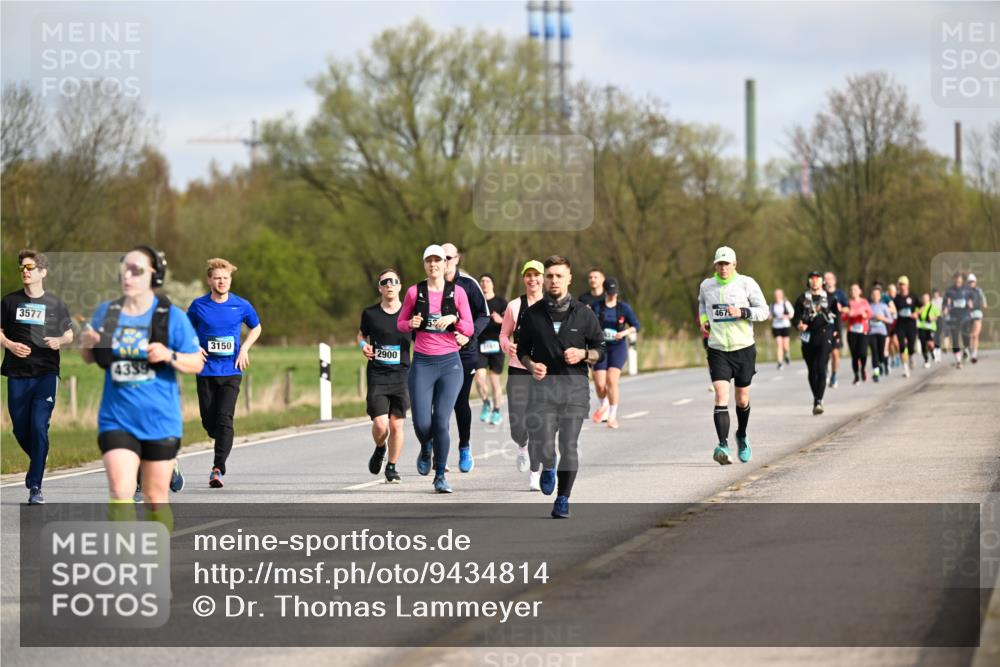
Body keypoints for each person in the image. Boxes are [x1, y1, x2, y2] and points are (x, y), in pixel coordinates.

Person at [78, 246, 203, 526]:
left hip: (160, 421)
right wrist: (87, 345)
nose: (128, 276)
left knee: (155, 498)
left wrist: (169, 355)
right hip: (117, 419)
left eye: (137, 270)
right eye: (125, 269)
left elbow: (196, 362)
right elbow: (90, 357)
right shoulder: (107, 313)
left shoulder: (171, 317)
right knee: (121, 491)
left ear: (154, 276)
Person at [517, 255, 605, 518]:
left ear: (569, 279)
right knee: (544, 444)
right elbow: (522, 351)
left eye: (559, 276)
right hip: (543, 389)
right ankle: (548, 464)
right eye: (550, 276)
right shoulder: (532, 315)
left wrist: (583, 354)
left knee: (569, 444)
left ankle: (563, 498)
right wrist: (532, 366)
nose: (554, 280)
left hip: (575, 389)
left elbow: (600, 348)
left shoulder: (584, 313)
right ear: (544, 279)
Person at [397, 244, 474, 493]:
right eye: (429, 261)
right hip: (422, 363)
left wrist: (455, 320)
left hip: (450, 363)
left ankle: (440, 475)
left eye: (438, 261)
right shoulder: (413, 292)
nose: (434, 265)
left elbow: (470, 328)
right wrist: (411, 323)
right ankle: (426, 446)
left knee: (441, 420)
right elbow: (400, 324)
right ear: (424, 265)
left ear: (445, 264)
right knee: (421, 423)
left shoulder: (458, 292)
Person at [1, 250, 74, 505]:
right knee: (21, 429)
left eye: (30, 267)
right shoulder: (9, 302)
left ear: (43, 272)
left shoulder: (55, 304)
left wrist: (59, 340)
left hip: (46, 372)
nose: (25, 271)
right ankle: (39, 457)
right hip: (17, 373)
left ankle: (35, 485)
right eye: (22, 267)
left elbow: (69, 334)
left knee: (39, 426)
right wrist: (9, 345)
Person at [186, 258, 262, 488]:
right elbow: (185, 330)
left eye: (225, 278)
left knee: (224, 419)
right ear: (210, 280)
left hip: (231, 370)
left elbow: (256, 327)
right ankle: (219, 438)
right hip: (205, 370)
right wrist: (193, 345)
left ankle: (217, 468)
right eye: (217, 278)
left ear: (230, 280)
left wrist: (245, 349)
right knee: (209, 423)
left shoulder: (241, 305)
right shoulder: (198, 306)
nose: (222, 282)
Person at [697, 246, 768, 465]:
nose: (723, 267)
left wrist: (743, 312)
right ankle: (722, 445)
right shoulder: (707, 286)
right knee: (720, 395)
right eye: (719, 263)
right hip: (718, 349)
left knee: (742, 399)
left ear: (734, 264)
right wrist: (703, 322)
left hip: (743, 348)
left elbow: (764, 311)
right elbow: (701, 305)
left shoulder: (747, 283)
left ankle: (742, 435)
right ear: (715, 265)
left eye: (727, 263)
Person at [440, 243, 490, 474]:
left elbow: (484, 315)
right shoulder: (431, 287)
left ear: (457, 258)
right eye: (441, 257)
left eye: (448, 257)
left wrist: (468, 334)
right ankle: (437, 451)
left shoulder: (469, 285)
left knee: (460, 401)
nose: (445, 261)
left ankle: (464, 447)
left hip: (465, 351)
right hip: (437, 351)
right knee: (437, 403)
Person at [358, 269, 410, 484]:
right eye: (385, 282)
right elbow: (362, 334)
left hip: (401, 374)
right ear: (379, 287)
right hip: (378, 374)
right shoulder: (370, 313)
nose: (389, 285)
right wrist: (363, 345)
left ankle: (392, 466)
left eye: (394, 281)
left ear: (399, 286)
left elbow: (424, 336)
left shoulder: (410, 314)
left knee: (397, 425)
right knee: (381, 425)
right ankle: (380, 448)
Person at [500, 260, 545, 490]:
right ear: (523, 279)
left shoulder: (553, 306)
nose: (533, 279)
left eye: (536, 275)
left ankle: (535, 474)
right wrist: (508, 346)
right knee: (518, 426)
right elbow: (503, 335)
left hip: (543, 373)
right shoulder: (515, 306)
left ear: (543, 278)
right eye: (528, 275)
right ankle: (522, 446)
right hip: (518, 370)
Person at [590, 277, 639, 429]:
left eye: (614, 293)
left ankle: (612, 416)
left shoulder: (624, 308)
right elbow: (587, 325)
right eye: (610, 293)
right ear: (605, 292)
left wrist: (623, 333)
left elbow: (636, 326)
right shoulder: (596, 307)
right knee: (599, 384)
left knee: (611, 380)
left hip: (618, 347)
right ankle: (603, 404)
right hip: (600, 347)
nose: (612, 295)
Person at [793, 271, 838, 414]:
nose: (814, 281)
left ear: (822, 281)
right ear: (809, 282)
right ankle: (816, 398)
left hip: (824, 335)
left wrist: (836, 333)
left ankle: (819, 400)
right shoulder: (802, 299)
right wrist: (799, 325)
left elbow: (837, 316)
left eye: (817, 278)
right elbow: (795, 318)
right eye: (812, 279)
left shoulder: (830, 298)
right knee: (812, 370)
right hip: (807, 337)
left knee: (821, 367)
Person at [475, 273, 507, 426]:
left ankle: (496, 411)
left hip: (496, 345)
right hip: (480, 346)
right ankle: (486, 403)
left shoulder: (501, 302)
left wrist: (501, 321)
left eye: (488, 281)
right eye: (482, 281)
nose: (485, 283)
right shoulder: (477, 302)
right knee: (480, 379)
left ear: (492, 285)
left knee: (495, 382)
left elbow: (511, 324)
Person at [943, 272, 974, 369]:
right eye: (956, 279)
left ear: (962, 280)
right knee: (955, 339)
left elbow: (972, 300)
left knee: (966, 336)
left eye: (959, 280)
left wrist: (970, 304)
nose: (958, 281)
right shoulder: (949, 291)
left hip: (965, 316)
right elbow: (945, 303)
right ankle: (958, 361)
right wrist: (945, 308)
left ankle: (967, 349)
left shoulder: (967, 290)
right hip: (954, 317)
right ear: (954, 280)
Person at [843, 283, 872, 385]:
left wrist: (864, 314)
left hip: (863, 331)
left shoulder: (864, 302)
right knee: (855, 355)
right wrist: (848, 314)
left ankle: (863, 368)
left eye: (855, 289)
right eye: (852, 290)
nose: (853, 291)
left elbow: (870, 313)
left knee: (863, 353)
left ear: (860, 291)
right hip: (852, 332)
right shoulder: (848, 303)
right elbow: (843, 317)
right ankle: (856, 375)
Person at [823, 272, 848, 388]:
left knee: (835, 354)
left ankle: (833, 375)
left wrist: (841, 308)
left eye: (829, 278)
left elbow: (848, 309)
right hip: (823, 328)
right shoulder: (821, 293)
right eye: (825, 279)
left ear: (834, 281)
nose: (827, 280)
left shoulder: (840, 294)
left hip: (836, 327)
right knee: (824, 354)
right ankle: (826, 371)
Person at [892, 276, 919, 378]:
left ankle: (911, 356)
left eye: (904, 284)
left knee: (911, 346)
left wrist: (917, 313)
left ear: (908, 285)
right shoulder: (896, 299)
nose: (902, 287)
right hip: (901, 325)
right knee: (902, 346)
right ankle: (905, 368)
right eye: (900, 284)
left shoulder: (913, 297)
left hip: (911, 325)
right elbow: (892, 309)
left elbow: (923, 306)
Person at [868, 285, 892, 382]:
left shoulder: (884, 306)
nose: (875, 296)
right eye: (873, 295)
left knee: (881, 352)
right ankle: (876, 373)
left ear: (880, 296)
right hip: (871, 332)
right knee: (874, 352)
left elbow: (890, 320)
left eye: (877, 294)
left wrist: (882, 318)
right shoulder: (869, 306)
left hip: (882, 332)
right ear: (871, 296)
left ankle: (882, 363)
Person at [916, 292, 941, 368]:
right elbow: (915, 314)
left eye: (926, 298)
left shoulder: (933, 306)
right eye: (923, 298)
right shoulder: (919, 307)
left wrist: (932, 318)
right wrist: (920, 310)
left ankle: (933, 353)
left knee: (930, 343)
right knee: (923, 343)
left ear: (929, 298)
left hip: (930, 327)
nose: (924, 299)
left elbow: (938, 316)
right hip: (921, 327)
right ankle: (926, 360)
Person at [770, 289, 793, 369]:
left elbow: (792, 314)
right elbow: (770, 315)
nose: (777, 296)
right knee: (779, 344)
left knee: (785, 346)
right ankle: (780, 362)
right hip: (776, 326)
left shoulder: (786, 303)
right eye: (776, 295)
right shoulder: (773, 305)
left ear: (782, 295)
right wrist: (769, 317)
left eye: (779, 294)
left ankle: (787, 354)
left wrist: (786, 316)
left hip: (785, 325)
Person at [968, 274, 987, 364]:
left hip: (977, 313)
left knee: (975, 335)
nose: (971, 283)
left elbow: (984, 303)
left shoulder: (979, 291)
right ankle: (970, 351)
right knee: (970, 335)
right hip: (968, 315)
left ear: (975, 282)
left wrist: (981, 303)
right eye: (969, 282)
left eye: (972, 281)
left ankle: (974, 354)